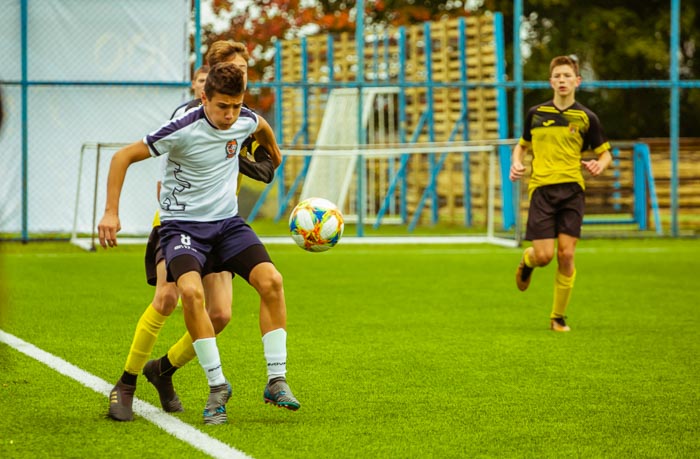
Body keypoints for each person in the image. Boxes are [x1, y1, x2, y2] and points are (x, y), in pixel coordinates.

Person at [99, 62, 290, 425]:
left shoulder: (245, 118)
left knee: (269, 283)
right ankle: (144, 382)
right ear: (203, 97)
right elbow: (122, 157)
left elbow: (261, 127)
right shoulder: (182, 127)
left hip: (227, 225)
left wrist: (274, 157)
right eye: (222, 107)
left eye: (236, 105)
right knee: (181, 295)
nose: (231, 115)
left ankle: (275, 379)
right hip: (182, 226)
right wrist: (111, 212)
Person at [509, 55, 612, 332]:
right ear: (551, 81)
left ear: (577, 81)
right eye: (558, 76)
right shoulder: (536, 113)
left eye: (568, 76)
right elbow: (521, 146)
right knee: (544, 256)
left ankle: (557, 317)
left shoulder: (587, 118)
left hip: (572, 191)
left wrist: (598, 165)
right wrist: (516, 162)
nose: (562, 80)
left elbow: (605, 155)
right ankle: (527, 260)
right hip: (541, 190)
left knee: (566, 255)